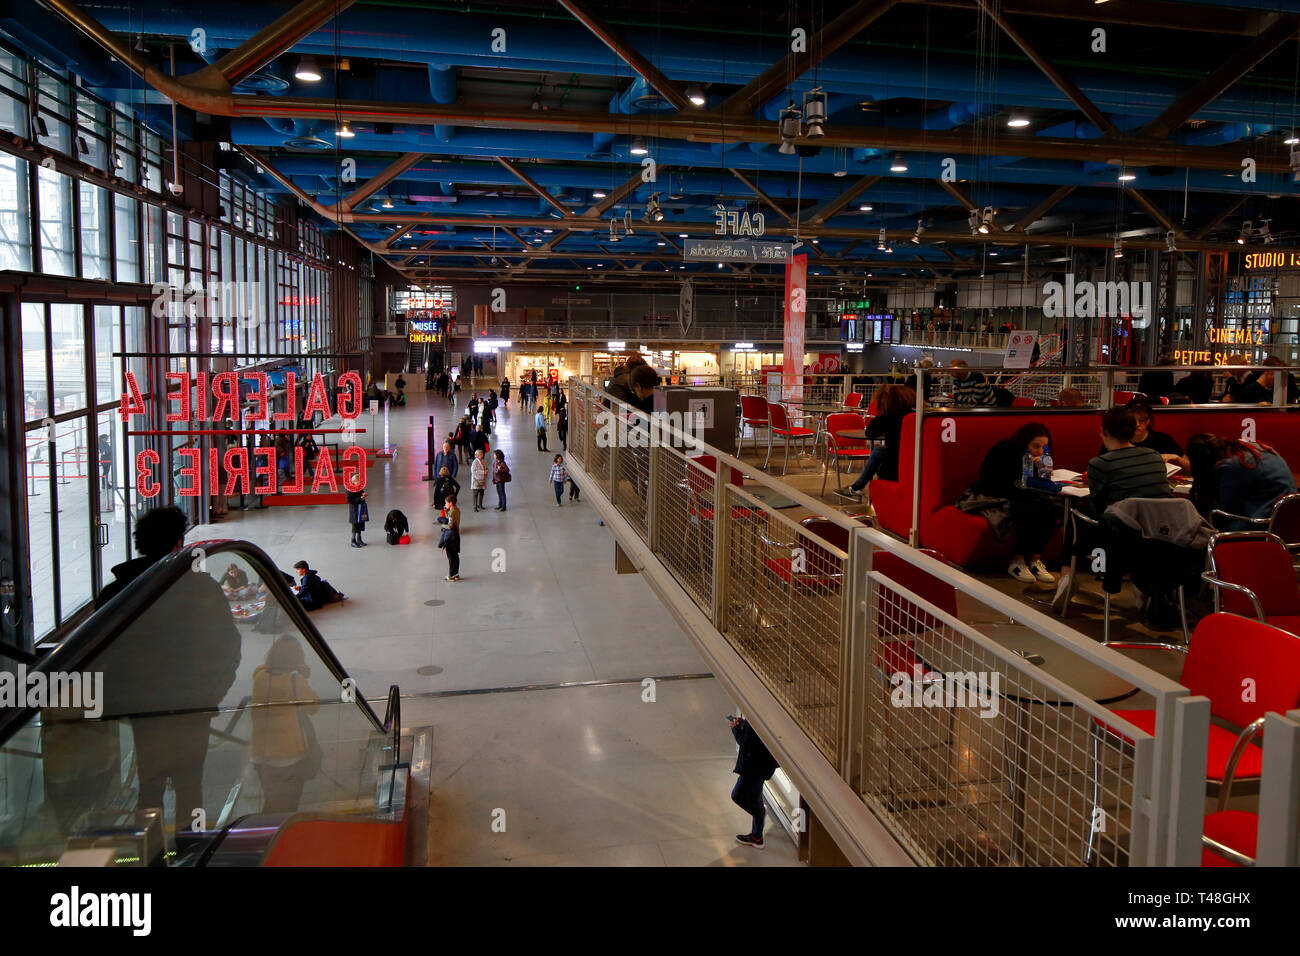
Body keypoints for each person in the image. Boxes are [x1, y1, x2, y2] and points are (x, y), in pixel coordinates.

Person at [94, 506, 241, 835]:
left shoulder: (115, 593)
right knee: (191, 785)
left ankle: (151, 853)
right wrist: (212, 692)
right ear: (178, 543)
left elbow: (101, 655)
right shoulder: (201, 589)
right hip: (192, 706)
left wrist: (121, 698)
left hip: (142, 709)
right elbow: (228, 646)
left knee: (149, 784)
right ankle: (190, 850)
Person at [970, 422, 1063, 583]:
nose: (1040, 451)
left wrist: (1041, 472)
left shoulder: (1039, 457)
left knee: (1053, 507)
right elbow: (999, 484)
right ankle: (1017, 560)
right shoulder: (1004, 450)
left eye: (1044, 447)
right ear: (1024, 442)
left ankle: (1035, 559)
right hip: (996, 495)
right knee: (1032, 509)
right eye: (1036, 446)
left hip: (1026, 494)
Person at [250, 635, 320, 813]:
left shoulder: (260, 677)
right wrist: (302, 676)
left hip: (261, 754)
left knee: (272, 800)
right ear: (296, 659)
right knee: (287, 806)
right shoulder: (295, 682)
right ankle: (276, 837)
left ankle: (267, 833)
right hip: (288, 757)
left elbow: (262, 670)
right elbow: (314, 706)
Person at [1187, 433, 1296, 529]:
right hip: (1289, 521)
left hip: (1262, 524)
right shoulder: (1251, 447)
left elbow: (1225, 511)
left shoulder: (1232, 465)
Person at [838, 385, 915, 501]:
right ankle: (857, 487)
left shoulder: (888, 417)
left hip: (893, 467)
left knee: (879, 451)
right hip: (914, 464)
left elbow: (870, 432)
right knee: (879, 451)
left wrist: (882, 414)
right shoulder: (915, 415)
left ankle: (857, 488)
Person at [729, 715, 779, 849]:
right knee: (755, 794)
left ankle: (758, 828)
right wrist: (745, 724)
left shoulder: (756, 716)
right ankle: (757, 834)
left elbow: (746, 745)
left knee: (737, 795)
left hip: (752, 768)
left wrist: (735, 730)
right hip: (764, 767)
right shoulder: (764, 717)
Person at [440, 493, 461, 581]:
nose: (445, 504)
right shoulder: (456, 509)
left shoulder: (452, 512)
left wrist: (442, 525)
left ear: (450, 503)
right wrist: (445, 511)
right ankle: (456, 573)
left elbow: (450, 525)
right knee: (455, 556)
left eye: (446, 503)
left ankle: (451, 575)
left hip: (451, 537)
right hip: (456, 536)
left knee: (451, 557)